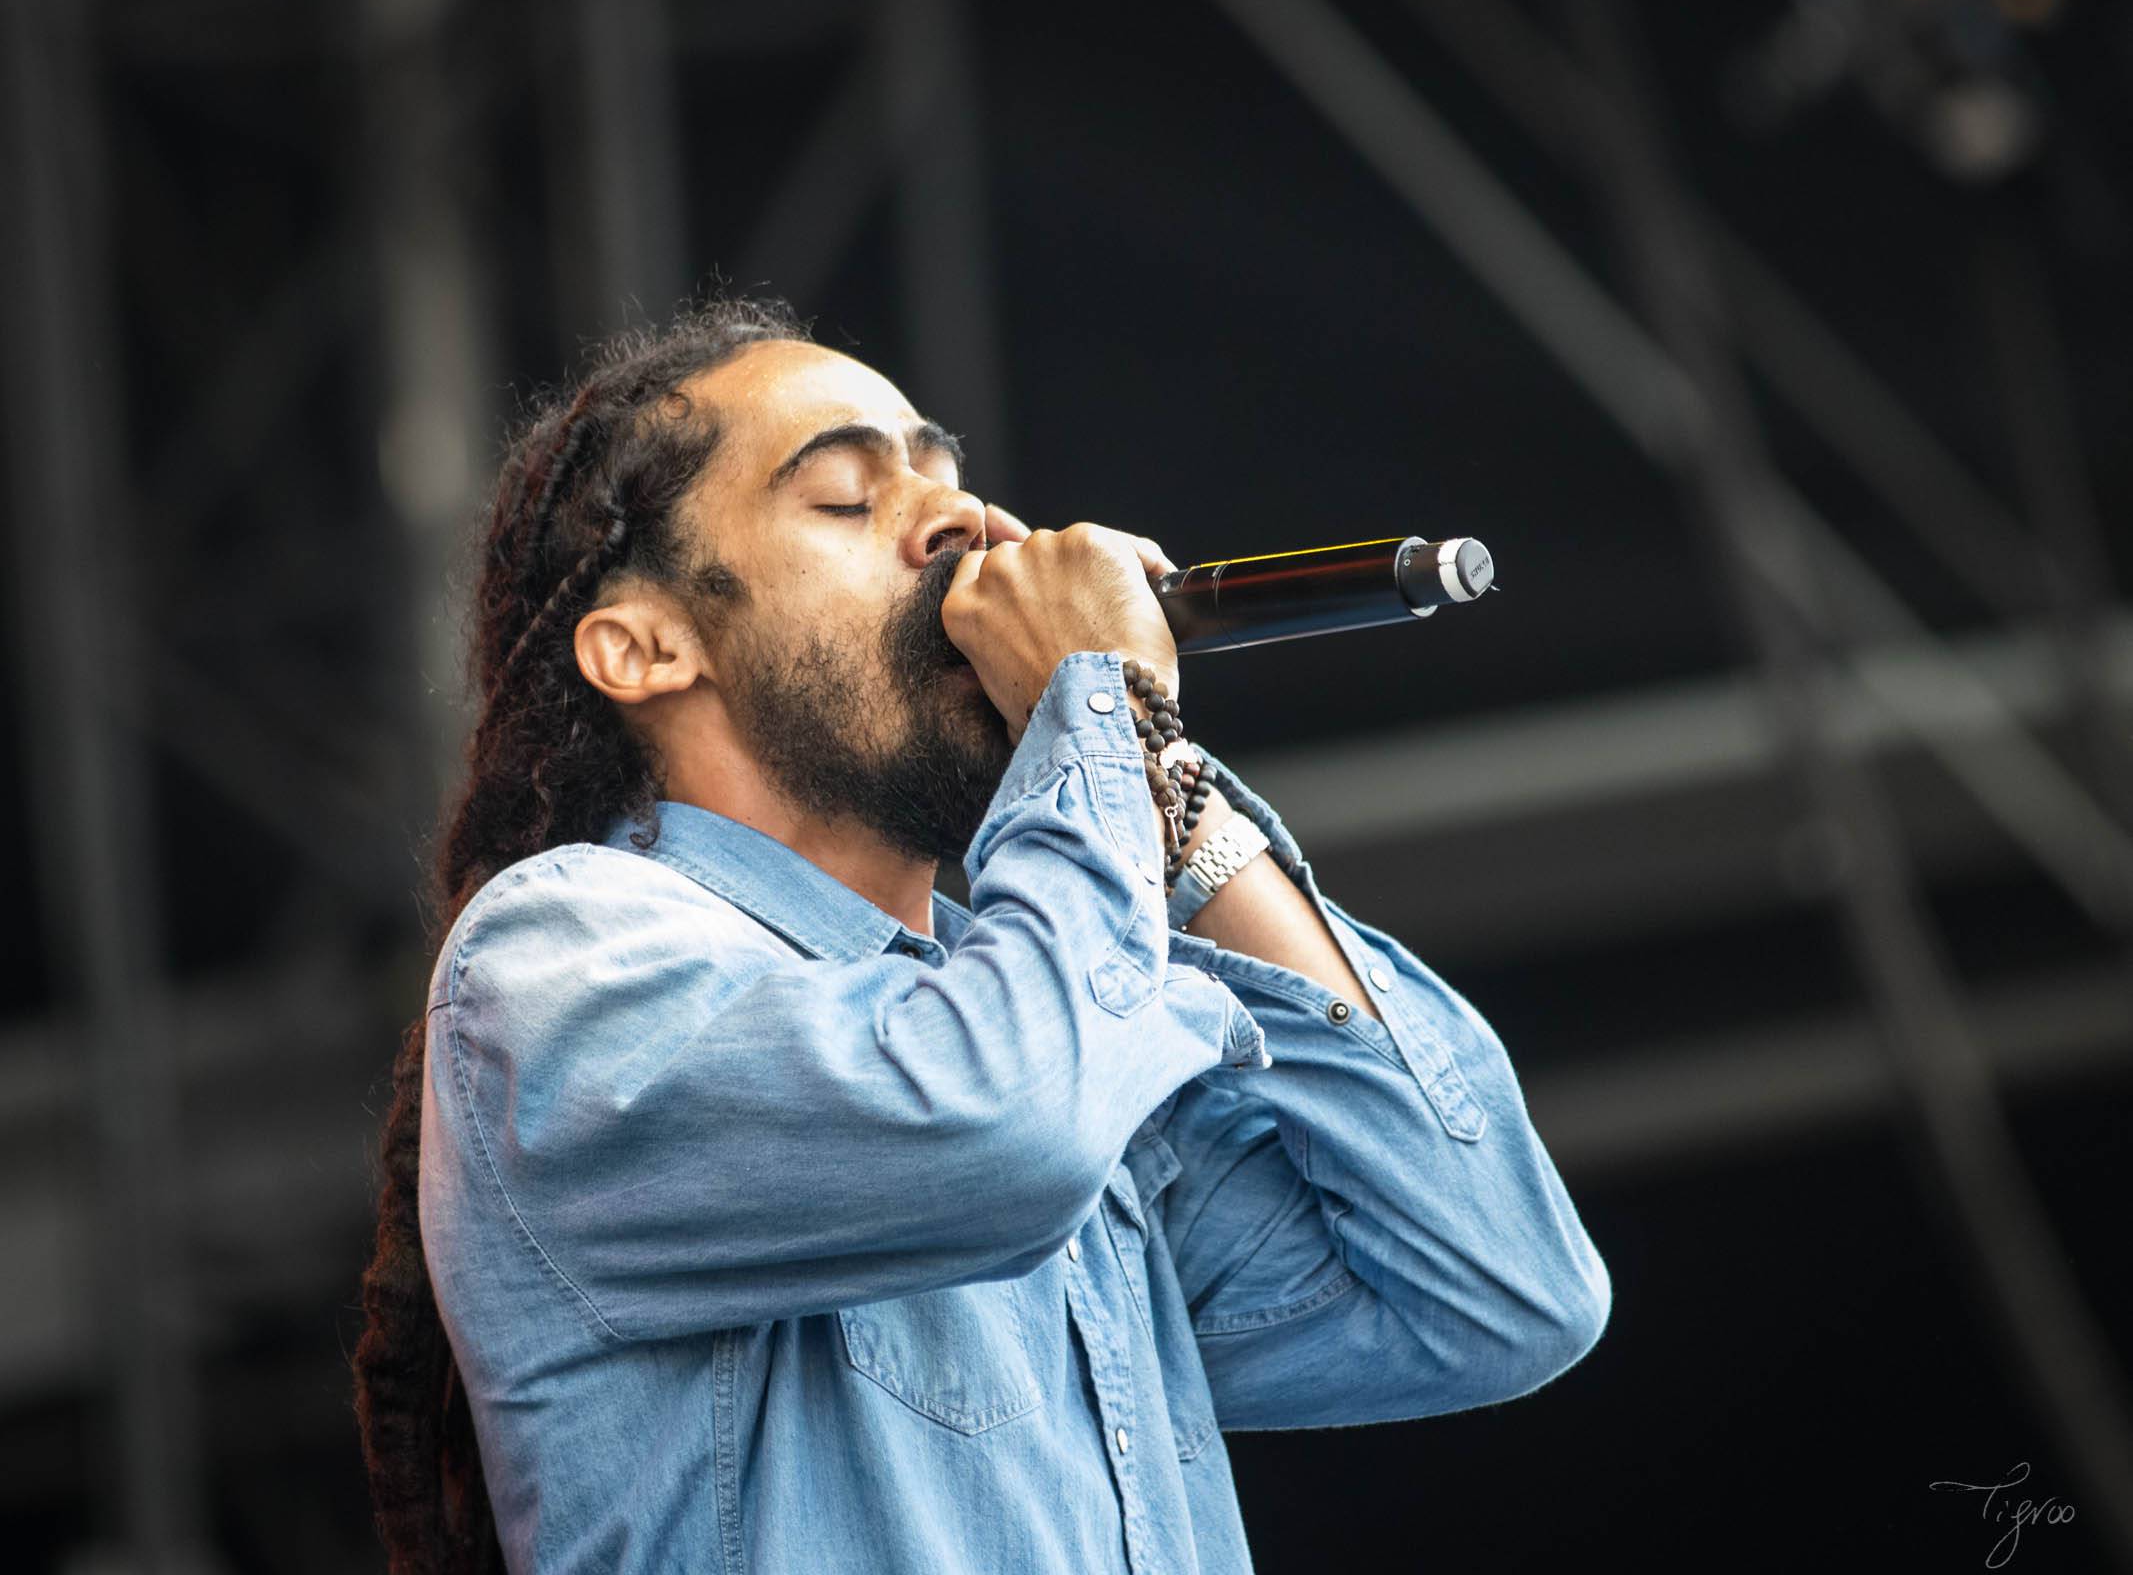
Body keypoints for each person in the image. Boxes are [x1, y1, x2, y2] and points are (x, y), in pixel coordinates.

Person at [352, 297, 1611, 1574]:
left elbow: (1497, 1288)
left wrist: (1164, 785)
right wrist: (1104, 709)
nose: (967, 521)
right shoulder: (566, 959)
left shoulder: (1059, 1009)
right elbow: (1002, 1119)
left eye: (949, 478)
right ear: (646, 647)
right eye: (846, 497)